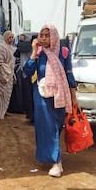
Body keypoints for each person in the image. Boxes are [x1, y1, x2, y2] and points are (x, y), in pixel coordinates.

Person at [23, 24, 78, 177]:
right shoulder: (40, 53)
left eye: (48, 35)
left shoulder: (64, 52)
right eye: (42, 35)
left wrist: (73, 97)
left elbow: (69, 76)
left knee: (55, 128)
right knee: (45, 129)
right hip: (41, 98)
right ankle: (56, 161)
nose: (44, 38)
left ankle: (55, 160)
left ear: (54, 36)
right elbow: (27, 72)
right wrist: (34, 52)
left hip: (59, 97)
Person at [0, 30, 16, 120]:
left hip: (9, 76)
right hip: (2, 76)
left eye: (12, 37)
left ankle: (3, 111)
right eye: (9, 37)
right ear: (5, 37)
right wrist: (6, 70)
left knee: (7, 95)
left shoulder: (11, 48)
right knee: (0, 95)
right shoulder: (1, 47)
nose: (11, 39)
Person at [14, 33, 36, 124]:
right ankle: (32, 116)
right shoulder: (33, 49)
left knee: (28, 96)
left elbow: (16, 53)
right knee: (31, 97)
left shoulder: (24, 47)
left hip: (26, 74)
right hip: (31, 74)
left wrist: (20, 41)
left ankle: (31, 116)